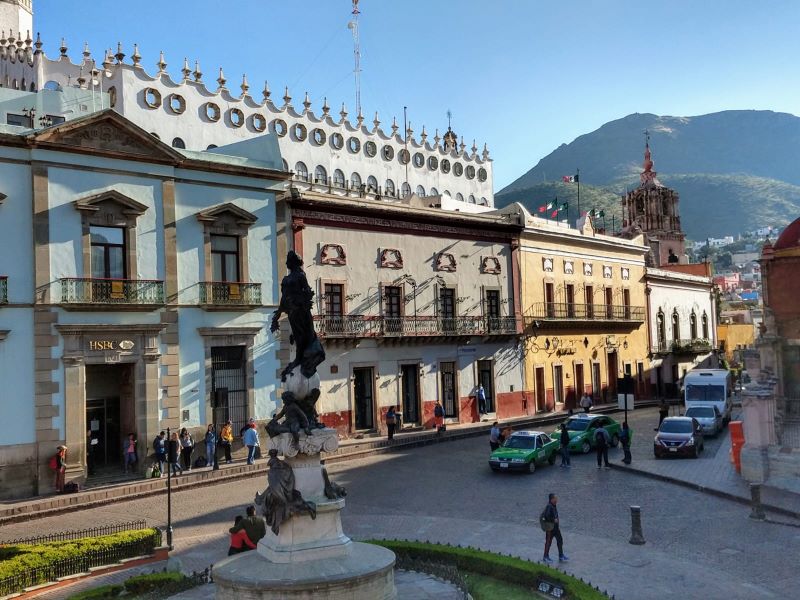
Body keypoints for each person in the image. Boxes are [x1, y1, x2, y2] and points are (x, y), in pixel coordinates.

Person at [541, 493, 568, 563]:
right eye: (555, 498)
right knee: (548, 542)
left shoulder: (553, 505)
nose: (557, 500)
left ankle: (561, 555)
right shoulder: (549, 506)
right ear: (552, 499)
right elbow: (547, 516)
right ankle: (545, 557)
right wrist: (554, 520)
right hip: (550, 528)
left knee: (560, 540)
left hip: (555, 528)